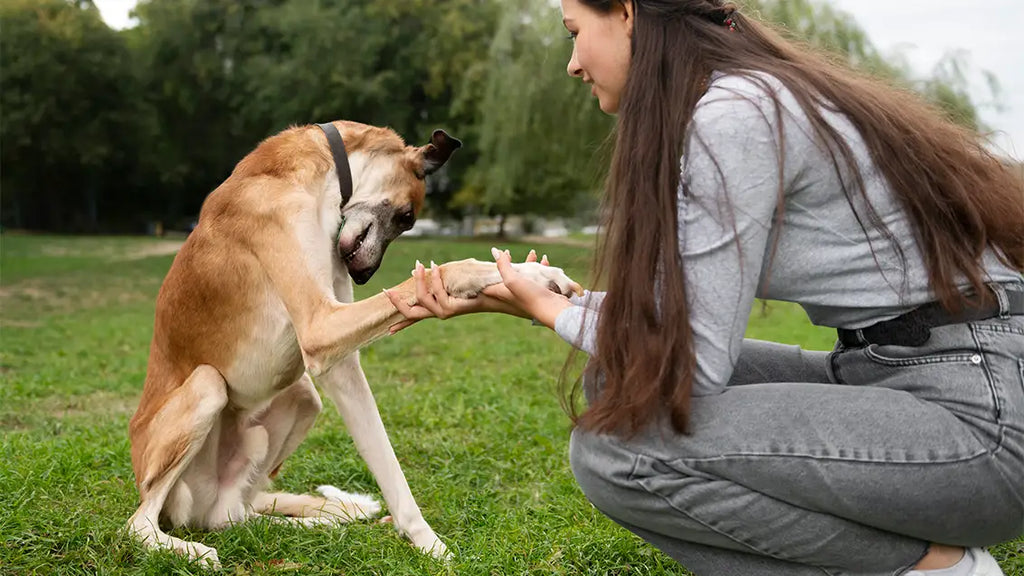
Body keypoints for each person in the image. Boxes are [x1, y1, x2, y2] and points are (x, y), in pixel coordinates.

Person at [385, 0, 1024, 574]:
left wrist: (553, 313)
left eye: (575, 32)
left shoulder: (738, 114)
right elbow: (679, 310)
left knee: (616, 452)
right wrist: (549, 299)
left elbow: (691, 356)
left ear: (628, 13)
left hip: (980, 417)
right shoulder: (739, 101)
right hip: (895, 367)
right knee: (611, 382)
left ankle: (930, 569)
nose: (573, 63)